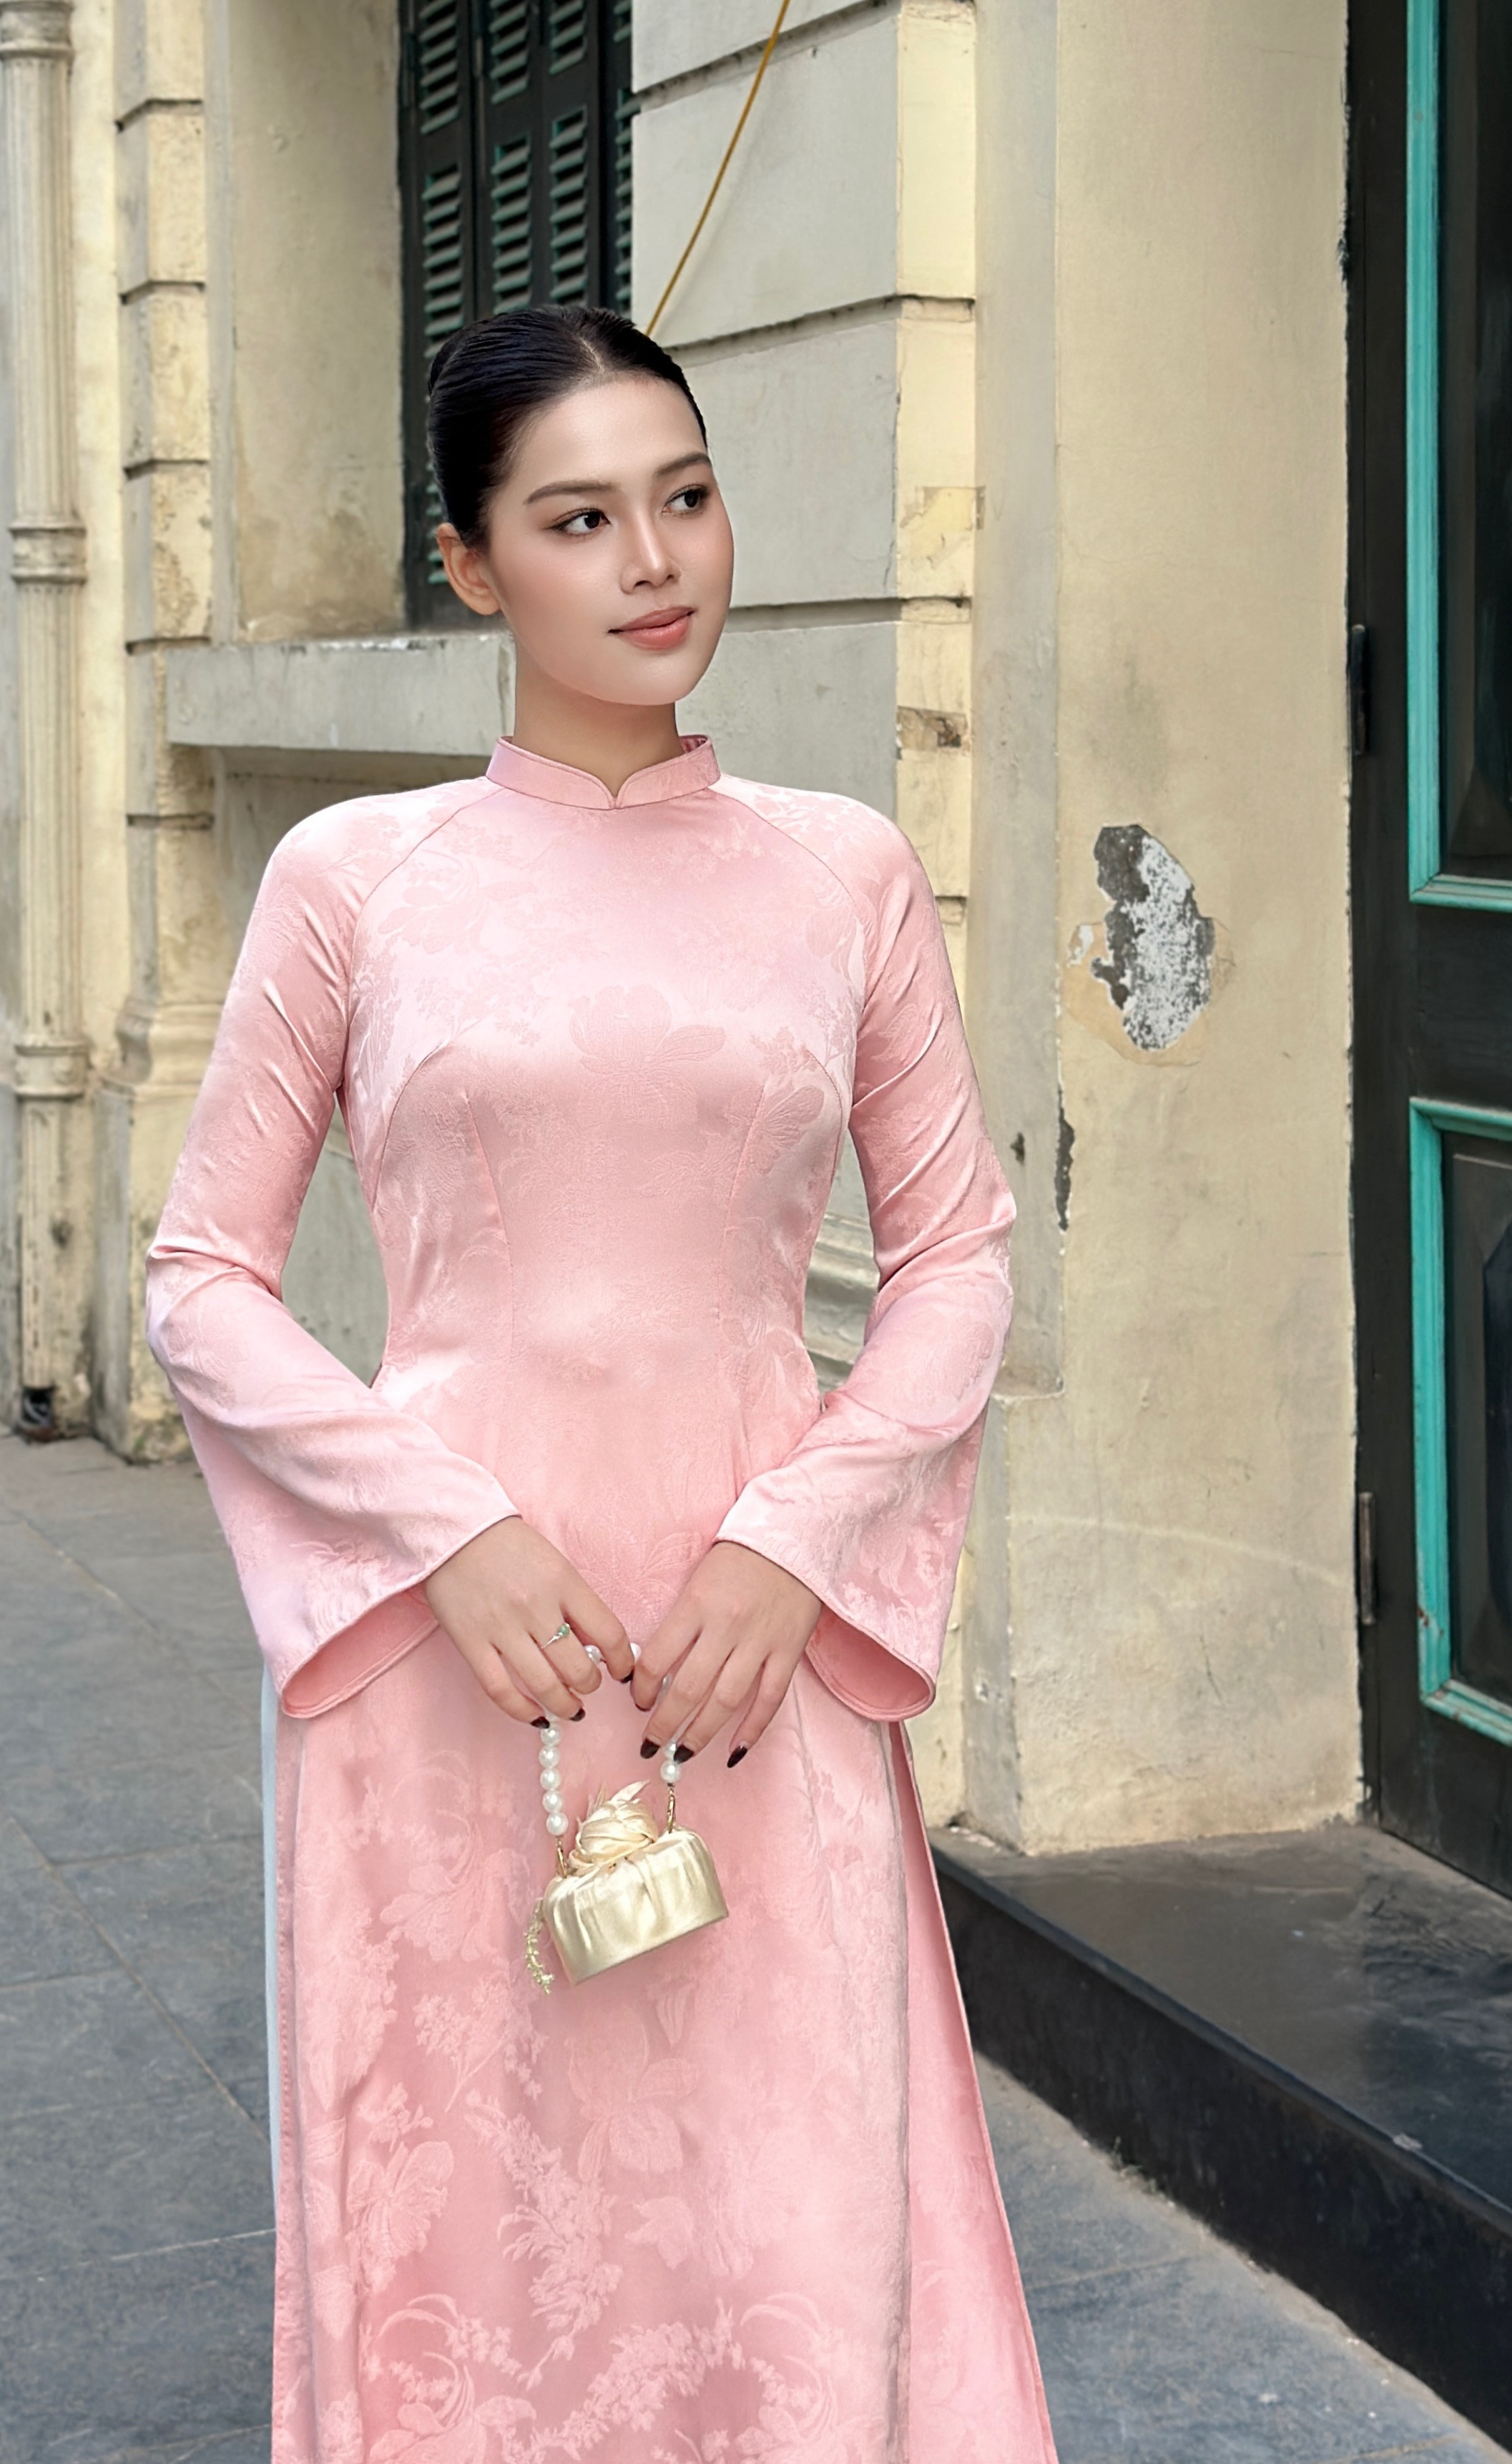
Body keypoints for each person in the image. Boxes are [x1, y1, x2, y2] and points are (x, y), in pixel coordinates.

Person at [147, 305, 1055, 2462]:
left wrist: (795, 1539)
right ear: (469, 566)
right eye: (575, 519)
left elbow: (954, 1255)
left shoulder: (840, 870)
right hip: (454, 1652)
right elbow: (201, 1277)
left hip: (751, 1647)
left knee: (785, 2201)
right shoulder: (356, 881)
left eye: (685, 495)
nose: (653, 561)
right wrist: (441, 1527)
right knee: (474, 2223)